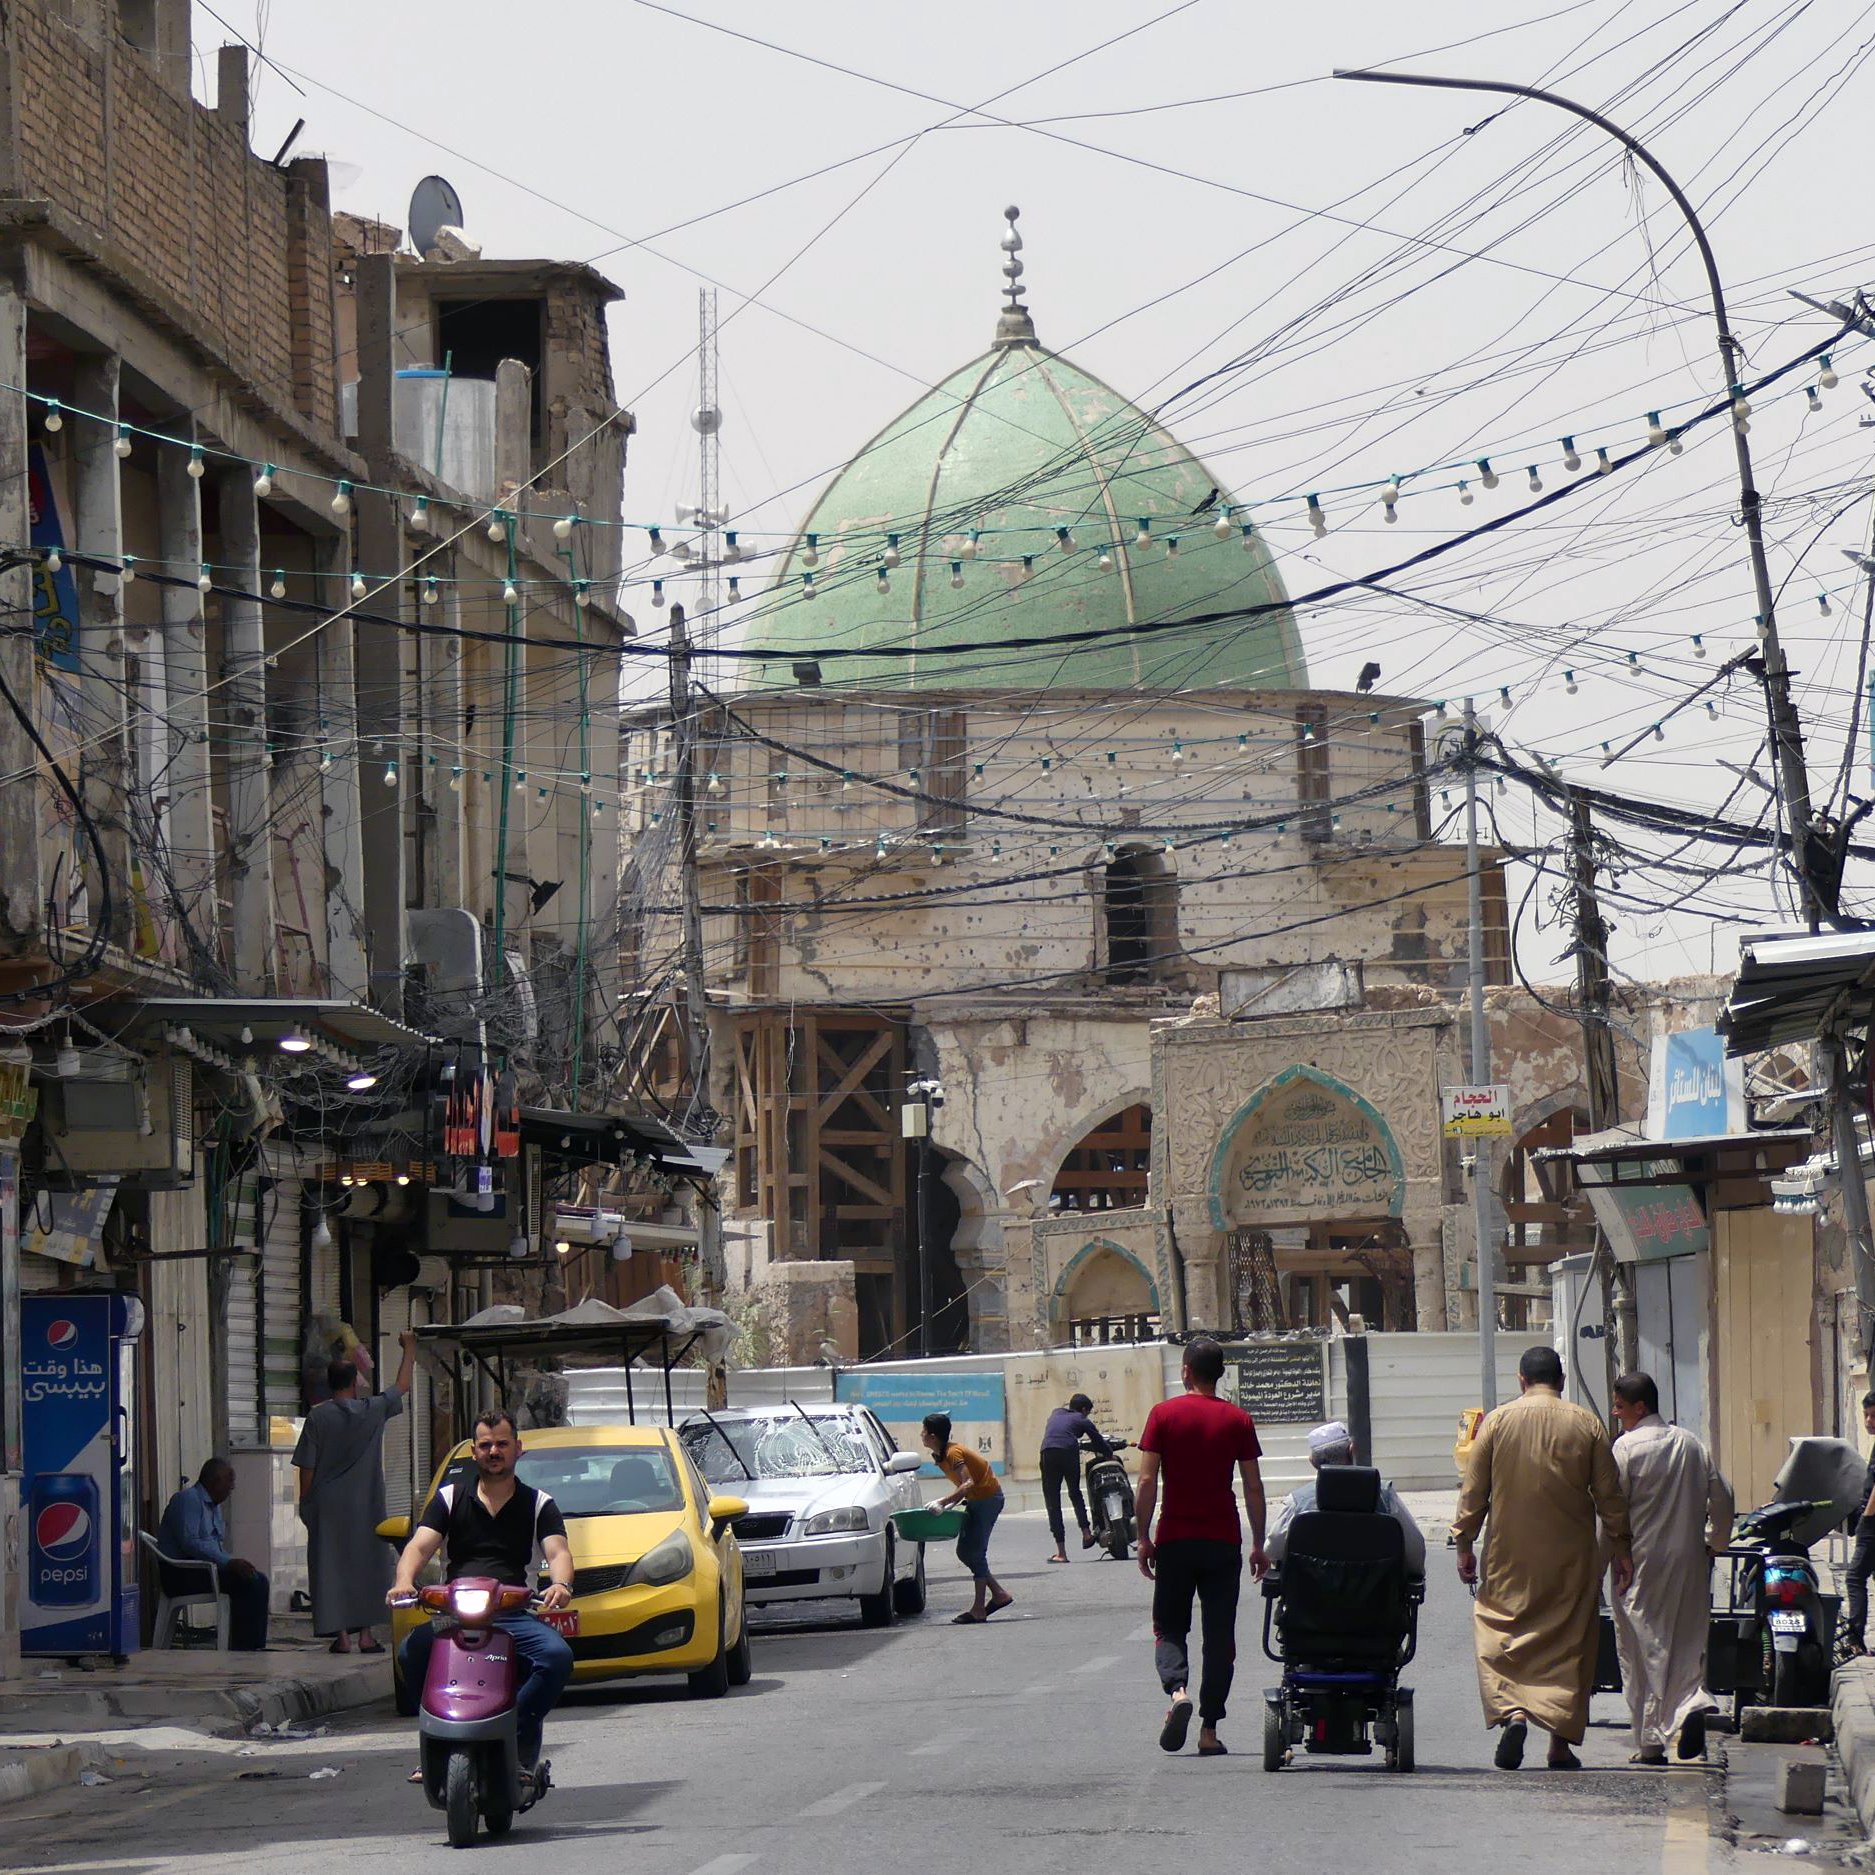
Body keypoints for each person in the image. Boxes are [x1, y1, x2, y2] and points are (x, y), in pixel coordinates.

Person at [1452, 1344, 1633, 1771]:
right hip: (1571, 1555)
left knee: (1499, 1629)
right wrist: (1621, 1546)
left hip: (1508, 1554)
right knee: (1569, 1642)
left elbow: (1473, 1493)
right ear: (1562, 1382)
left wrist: (1464, 1543)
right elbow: (1609, 1496)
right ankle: (1558, 1745)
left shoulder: (1495, 1423)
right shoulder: (1585, 1423)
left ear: (1521, 1380)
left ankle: (1513, 1711)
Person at [391, 1409, 575, 1775]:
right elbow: (418, 1547)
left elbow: (558, 1552)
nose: (494, 1451)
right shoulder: (449, 1498)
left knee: (556, 1657)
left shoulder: (540, 1504)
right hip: (455, 1614)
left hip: (513, 1615)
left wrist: (560, 1584)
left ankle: (514, 1729)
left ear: (518, 1449)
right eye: (486, 1445)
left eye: (502, 1444)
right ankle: (435, 1741)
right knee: (411, 1652)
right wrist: (404, 1581)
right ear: (474, 1452)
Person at [1135, 1336, 1267, 1759]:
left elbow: (1146, 1481)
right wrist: (1258, 1544)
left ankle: (1177, 1693)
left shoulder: (1163, 1415)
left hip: (1175, 1539)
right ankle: (1209, 1729)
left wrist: (1142, 1537)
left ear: (1186, 1370)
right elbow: (1252, 1485)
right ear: (1220, 1373)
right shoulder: (1238, 1420)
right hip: (1222, 1541)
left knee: (1170, 1627)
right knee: (1219, 1637)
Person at [1609, 1372, 1734, 1765]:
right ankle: (1669, 1722)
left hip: (1640, 1565)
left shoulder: (1626, 1449)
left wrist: (1607, 1560)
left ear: (1639, 1407)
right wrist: (1716, 1542)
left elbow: (1612, 1515)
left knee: (1641, 1647)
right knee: (1684, 1643)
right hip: (1690, 1563)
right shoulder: (1691, 1443)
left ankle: (1670, 1722)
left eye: (1619, 1406)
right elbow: (1724, 1498)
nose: (1616, 1414)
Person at [295, 1328, 417, 1653]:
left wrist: (305, 1505)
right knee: (368, 1565)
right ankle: (365, 1635)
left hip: (328, 1504)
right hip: (366, 1503)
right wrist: (409, 1348)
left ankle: (342, 1638)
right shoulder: (372, 1410)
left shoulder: (317, 1419)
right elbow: (402, 1386)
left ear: (329, 1384)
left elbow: (306, 1467)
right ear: (354, 1383)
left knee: (330, 1567)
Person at [1268, 1420, 1426, 1577]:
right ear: (1351, 1451)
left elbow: (1273, 1550)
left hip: (1310, 1599)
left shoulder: (1297, 1501)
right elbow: (1415, 1548)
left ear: (1313, 1462)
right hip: (1378, 1599)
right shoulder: (1384, 1494)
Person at [158, 1457, 270, 1650]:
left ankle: (254, 1646)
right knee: (247, 1583)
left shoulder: (214, 1507)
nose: (232, 1487)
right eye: (229, 1480)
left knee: (258, 1579)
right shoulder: (188, 1499)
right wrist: (228, 1563)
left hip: (204, 1568)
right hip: (182, 1573)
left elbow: (215, 1546)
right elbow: (190, 1543)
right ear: (214, 1480)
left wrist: (232, 1562)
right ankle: (244, 1649)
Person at [924, 1413, 1012, 1623]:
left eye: (924, 1431)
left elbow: (968, 1483)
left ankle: (979, 1608)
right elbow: (964, 1486)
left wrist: (943, 1503)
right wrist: (952, 1502)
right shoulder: (942, 1455)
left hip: (988, 1499)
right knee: (965, 1551)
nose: (922, 1435)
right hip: (977, 1500)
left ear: (933, 1436)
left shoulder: (953, 1453)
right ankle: (999, 1594)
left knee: (975, 1552)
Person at [1039, 1391, 1114, 1563]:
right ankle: (1086, 1533)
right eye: (1087, 1412)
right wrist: (1108, 1454)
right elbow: (1096, 1439)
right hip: (1068, 1452)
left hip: (1048, 1452)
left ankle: (1061, 1553)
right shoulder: (1081, 1419)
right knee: (1075, 1493)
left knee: (1052, 1502)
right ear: (1083, 1409)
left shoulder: (1056, 1413)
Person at [1842, 1389, 1875, 1657]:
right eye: (1865, 1415)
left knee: (1854, 1578)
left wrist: (1867, 1518)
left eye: (1873, 1416)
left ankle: (1855, 1639)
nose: (1868, 1422)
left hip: (1872, 1524)